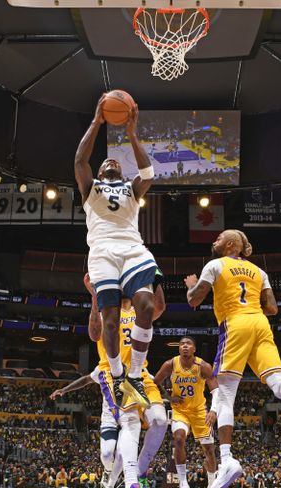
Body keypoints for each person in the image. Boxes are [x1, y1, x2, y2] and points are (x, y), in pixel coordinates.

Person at [185, 229, 281, 488]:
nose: (214, 240)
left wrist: (192, 284)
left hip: (234, 324)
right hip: (261, 324)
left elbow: (194, 300)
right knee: (277, 383)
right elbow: (272, 308)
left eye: (219, 238)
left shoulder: (214, 265)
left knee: (225, 396)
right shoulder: (259, 272)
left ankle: (227, 461)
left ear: (230, 244)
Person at [50, 273, 166, 488]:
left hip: (141, 373)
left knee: (161, 421)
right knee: (130, 424)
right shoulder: (107, 313)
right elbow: (94, 335)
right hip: (114, 373)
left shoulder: (138, 311)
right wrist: (94, 296)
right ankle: (130, 487)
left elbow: (159, 307)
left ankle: (140, 477)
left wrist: (155, 279)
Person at [74, 95, 157, 413]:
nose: (111, 162)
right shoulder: (90, 188)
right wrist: (97, 121)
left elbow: (148, 174)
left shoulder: (131, 189)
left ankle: (133, 375)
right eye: (106, 162)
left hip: (133, 248)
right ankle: (119, 374)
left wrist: (133, 134)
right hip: (102, 252)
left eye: (116, 163)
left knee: (146, 305)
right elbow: (80, 161)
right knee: (109, 321)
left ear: (121, 174)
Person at [152, 336, 219, 488]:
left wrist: (214, 410)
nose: (185, 346)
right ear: (179, 348)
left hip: (199, 412)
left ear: (194, 349)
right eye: (182, 344)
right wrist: (168, 397)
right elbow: (155, 382)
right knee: (179, 440)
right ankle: (183, 484)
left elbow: (215, 389)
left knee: (209, 451)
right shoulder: (170, 364)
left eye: (188, 344)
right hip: (180, 411)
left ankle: (212, 483)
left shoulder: (203, 366)